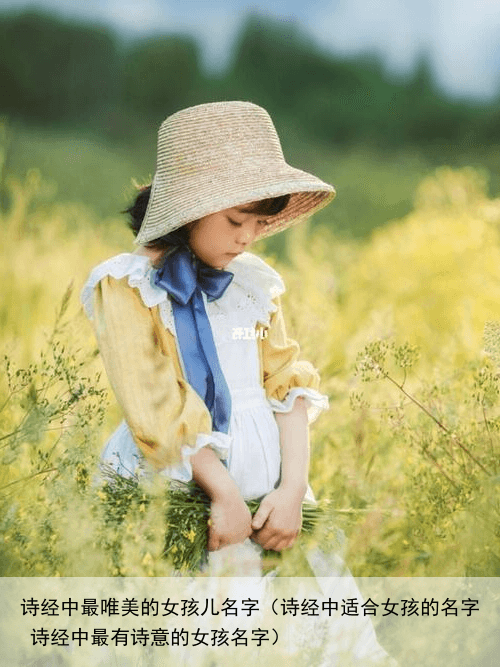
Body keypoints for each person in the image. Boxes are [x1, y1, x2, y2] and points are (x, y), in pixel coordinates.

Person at [81, 101, 395, 664]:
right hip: (180, 477)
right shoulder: (127, 286)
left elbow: (287, 385)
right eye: (235, 221)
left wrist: (293, 489)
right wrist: (223, 493)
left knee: (308, 624)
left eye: (260, 223)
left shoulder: (254, 285)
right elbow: (151, 401)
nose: (248, 238)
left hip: (269, 481)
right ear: (187, 209)